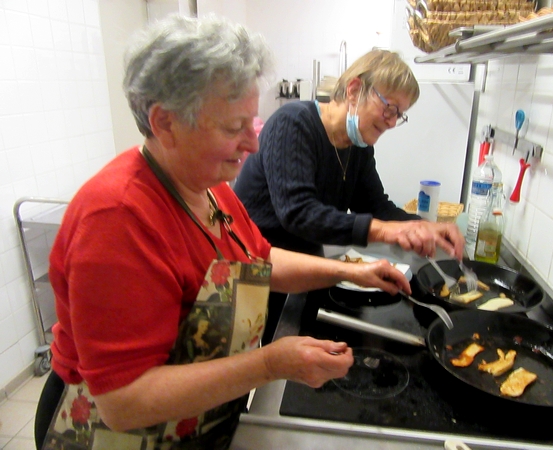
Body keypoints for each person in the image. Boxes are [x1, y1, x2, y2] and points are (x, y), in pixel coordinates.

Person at [34, 15, 413, 450]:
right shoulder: (117, 217)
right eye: (234, 128)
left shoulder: (210, 189)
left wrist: (348, 272)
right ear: (165, 123)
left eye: (250, 123)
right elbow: (124, 401)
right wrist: (270, 363)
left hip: (190, 425)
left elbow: (260, 260)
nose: (252, 144)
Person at [234, 49, 465, 341]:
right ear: (355, 90)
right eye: (390, 108)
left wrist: (423, 226)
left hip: (303, 268)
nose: (393, 122)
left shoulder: (359, 146)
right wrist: (386, 232)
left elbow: (376, 206)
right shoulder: (292, 123)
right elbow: (298, 213)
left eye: (400, 115)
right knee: (252, 363)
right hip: (258, 271)